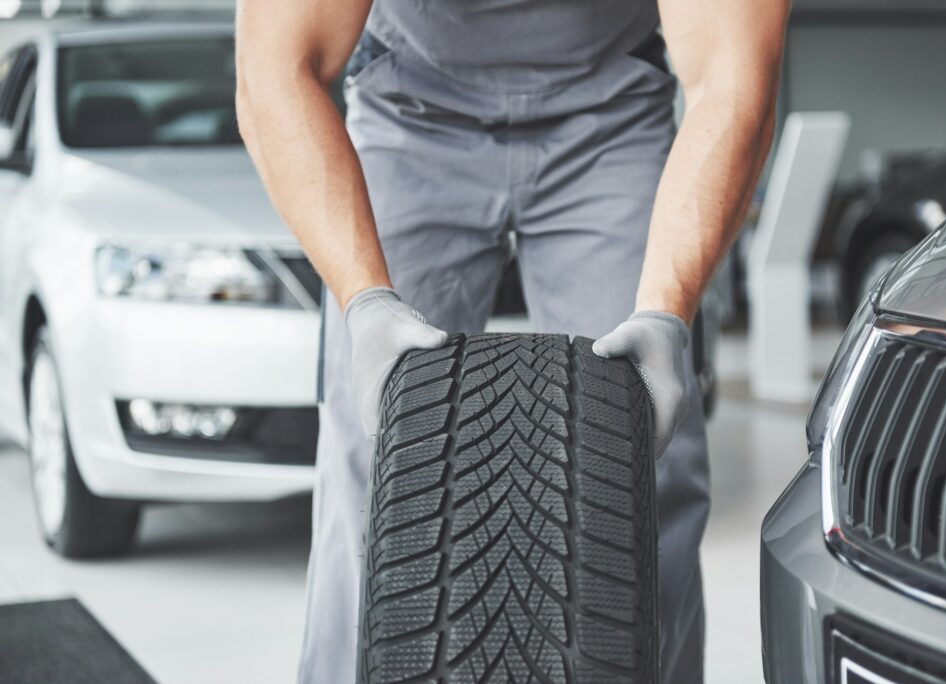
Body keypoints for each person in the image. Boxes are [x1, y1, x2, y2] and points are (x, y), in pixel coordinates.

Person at [236, 1, 788, 681]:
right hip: (413, 103)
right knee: (370, 450)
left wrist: (666, 314)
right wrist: (366, 303)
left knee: (651, 448)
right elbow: (276, 70)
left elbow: (733, 79)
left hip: (608, 110)